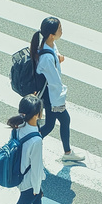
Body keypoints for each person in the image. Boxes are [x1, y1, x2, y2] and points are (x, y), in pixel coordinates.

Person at [31, 17, 84, 162]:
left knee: (54, 123)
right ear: (51, 35)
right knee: (53, 124)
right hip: (50, 96)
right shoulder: (47, 57)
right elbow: (55, 83)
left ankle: (67, 152)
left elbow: (53, 55)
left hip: (49, 95)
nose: (62, 30)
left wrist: (58, 57)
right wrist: (59, 102)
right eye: (60, 28)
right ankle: (29, 147)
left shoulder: (48, 44)